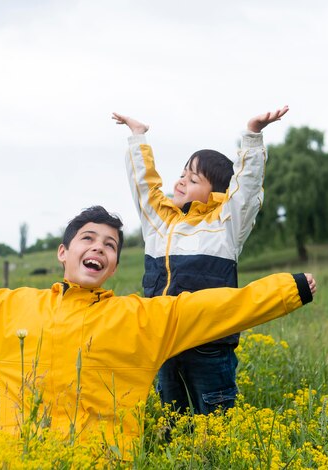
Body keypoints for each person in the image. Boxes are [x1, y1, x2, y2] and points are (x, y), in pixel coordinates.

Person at [0, 205, 316, 454]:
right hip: (19, 459)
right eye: (88, 239)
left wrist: (286, 290)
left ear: (113, 265)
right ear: (64, 252)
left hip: (107, 460)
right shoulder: (9, 308)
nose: (99, 248)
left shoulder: (141, 318)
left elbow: (215, 308)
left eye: (110, 245)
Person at [113, 107, 288, 415]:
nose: (180, 182)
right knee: (173, 421)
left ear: (217, 194)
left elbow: (246, 190)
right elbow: (144, 186)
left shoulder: (225, 225)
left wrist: (253, 135)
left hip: (210, 346)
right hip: (165, 342)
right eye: (182, 174)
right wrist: (137, 137)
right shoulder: (159, 223)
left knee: (213, 421)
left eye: (193, 179)